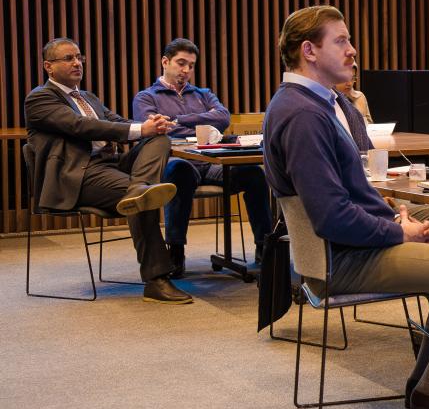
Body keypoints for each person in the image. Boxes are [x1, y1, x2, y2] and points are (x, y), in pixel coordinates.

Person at [262, 5, 429, 409]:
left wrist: (397, 218)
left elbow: (347, 193)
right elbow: (330, 215)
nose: (352, 50)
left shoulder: (314, 104)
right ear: (309, 50)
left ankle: (428, 379)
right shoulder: (304, 114)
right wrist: (399, 234)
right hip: (343, 260)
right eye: (340, 41)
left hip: (351, 248)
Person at [25, 37, 189, 303]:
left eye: (79, 57)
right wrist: (139, 129)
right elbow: (81, 127)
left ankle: (141, 188)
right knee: (139, 198)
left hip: (109, 167)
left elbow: (116, 122)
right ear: (48, 66)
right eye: (68, 58)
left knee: (158, 140)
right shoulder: (40, 99)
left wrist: (151, 124)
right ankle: (156, 280)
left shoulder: (88, 97)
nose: (77, 62)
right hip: (79, 175)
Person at [132, 38, 274, 278]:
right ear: (165, 62)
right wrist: (201, 120)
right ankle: (175, 250)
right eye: (181, 63)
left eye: (191, 65)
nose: (186, 70)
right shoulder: (147, 97)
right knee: (180, 171)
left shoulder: (203, 94)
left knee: (253, 173)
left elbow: (222, 118)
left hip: (210, 164)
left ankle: (265, 246)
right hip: (176, 163)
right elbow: (157, 127)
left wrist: (178, 121)